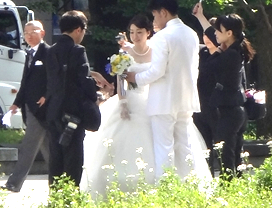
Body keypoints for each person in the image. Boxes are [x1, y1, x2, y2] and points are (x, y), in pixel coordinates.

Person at [81, 15, 211, 198]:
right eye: (132, 32)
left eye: (139, 32)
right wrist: (123, 102)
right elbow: (120, 81)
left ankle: (165, 180)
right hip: (131, 99)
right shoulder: (124, 54)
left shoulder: (157, 49)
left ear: (148, 32)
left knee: (162, 140)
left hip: (153, 99)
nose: (135, 36)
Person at [126, 0, 200, 179]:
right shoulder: (191, 34)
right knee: (185, 146)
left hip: (163, 100)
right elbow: (195, 68)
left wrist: (136, 78)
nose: (154, 20)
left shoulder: (162, 36)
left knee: (164, 147)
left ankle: (165, 187)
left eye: (154, 15)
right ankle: (190, 184)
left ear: (163, 12)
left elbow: (157, 71)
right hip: (186, 97)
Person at [45, 10, 111, 187]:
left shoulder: (50, 51)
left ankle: (55, 196)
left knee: (56, 156)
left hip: (54, 111)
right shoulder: (77, 50)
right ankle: (71, 195)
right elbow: (83, 80)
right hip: (73, 112)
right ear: (78, 29)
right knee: (73, 158)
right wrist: (95, 96)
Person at [193, 3, 254, 178]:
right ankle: (234, 183)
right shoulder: (235, 48)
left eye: (219, 31)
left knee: (226, 154)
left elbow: (208, 67)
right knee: (231, 153)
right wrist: (200, 16)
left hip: (230, 112)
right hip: (234, 110)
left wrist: (217, 51)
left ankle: (228, 185)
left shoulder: (231, 55)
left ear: (229, 33)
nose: (215, 34)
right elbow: (212, 35)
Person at [0, 20, 51, 193]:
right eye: (26, 33)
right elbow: (25, 82)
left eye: (33, 31)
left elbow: (55, 78)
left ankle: (14, 183)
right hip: (29, 106)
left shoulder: (48, 52)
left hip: (41, 108)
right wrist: (16, 103)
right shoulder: (29, 53)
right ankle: (60, 180)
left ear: (42, 33)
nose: (29, 36)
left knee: (29, 145)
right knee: (47, 147)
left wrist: (47, 96)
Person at [193, 18, 218, 175]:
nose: (206, 38)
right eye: (204, 34)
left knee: (220, 146)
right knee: (204, 147)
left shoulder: (225, 55)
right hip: (200, 106)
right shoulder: (200, 53)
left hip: (218, 107)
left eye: (211, 34)